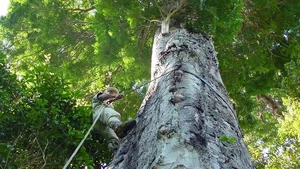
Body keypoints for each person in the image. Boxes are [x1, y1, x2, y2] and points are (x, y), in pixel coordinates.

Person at [92, 87, 136, 154]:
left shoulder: (110, 106)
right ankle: (117, 126)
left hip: (102, 124)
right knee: (111, 114)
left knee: (112, 136)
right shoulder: (99, 99)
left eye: (113, 93)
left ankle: (115, 148)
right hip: (98, 116)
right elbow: (102, 97)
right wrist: (114, 96)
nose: (111, 94)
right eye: (110, 92)